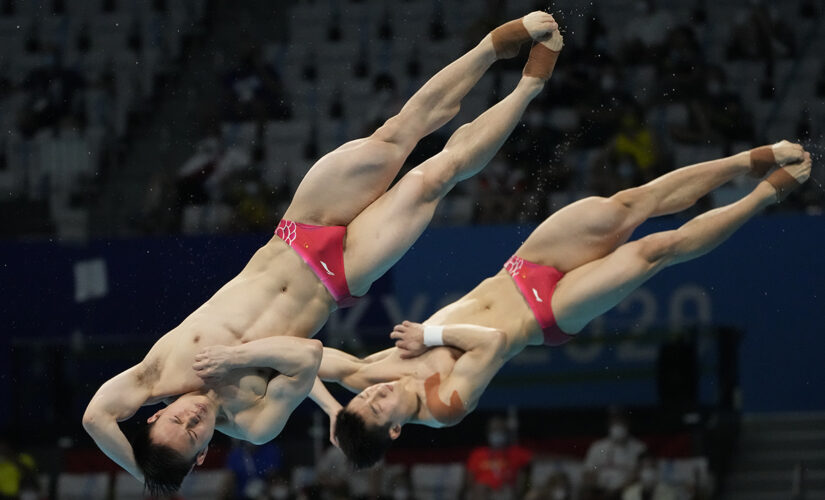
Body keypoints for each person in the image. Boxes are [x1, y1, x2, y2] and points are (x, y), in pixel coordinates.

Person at [82, 11, 562, 496]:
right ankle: (529, 86)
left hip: (297, 230)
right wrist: (233, 358)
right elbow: (308, 356)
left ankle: (492, 45)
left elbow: (94, 418)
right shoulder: (252, 421)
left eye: (177, 421)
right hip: (341, 275)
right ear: (205, 450)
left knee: (398, 134)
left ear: (156, 413)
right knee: (434, 178)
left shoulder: (153, 374)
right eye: (193, 435)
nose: (193, 419)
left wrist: (147, 477)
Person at [312, 141, 811, 469]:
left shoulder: (366, 375)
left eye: (365, 397)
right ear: (396, 429)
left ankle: (751, 160)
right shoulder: (444, 408)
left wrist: (331, 409)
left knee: (627, 205)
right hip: (548, 312)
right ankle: (764, 195)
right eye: (379, 407)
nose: (377, 394)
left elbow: (302, 361)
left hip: (521, 267)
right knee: (655, 251)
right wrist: (431, 337)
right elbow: (497, 341)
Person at [580, 408, 646, 500]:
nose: (618, 426)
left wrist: (618, 490)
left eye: (621, 422)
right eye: (615, 422)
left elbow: (638, 475)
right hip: (601, 492)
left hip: (626, 491)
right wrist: (597, 488)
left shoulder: (639, 448)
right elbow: (588, 472)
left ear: (628, 423)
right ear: (609, 424)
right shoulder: (597, 447)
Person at [464, 415, 532, 500]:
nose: (497, 433)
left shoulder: (515, 452)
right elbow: (469, 481)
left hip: (505, 491)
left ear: (506, 433)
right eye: (494, 430)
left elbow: (538, 459)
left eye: (500, 430)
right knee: (480, 488)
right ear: (488, 433)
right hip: (482, 492)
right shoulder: (478, 454)